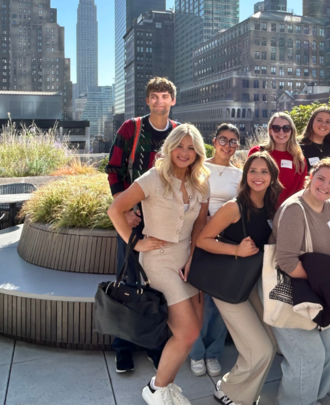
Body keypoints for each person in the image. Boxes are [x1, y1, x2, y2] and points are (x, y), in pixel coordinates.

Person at [108, 124, 210, 405]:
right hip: (160, 262)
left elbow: (201, 224)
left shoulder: (201, 180)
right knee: (187, 331)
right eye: (180, 146)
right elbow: (115, 209)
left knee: (191, 333)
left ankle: (165, 385)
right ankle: (156, 388)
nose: (185, 153)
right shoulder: (154, 177)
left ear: (198, 152)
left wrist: (193, 258)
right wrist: (135, 242)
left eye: (191, 148)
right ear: (170, 147)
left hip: (189, 261)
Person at [104, 77, 178, 374]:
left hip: (165, 223)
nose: (160, 101)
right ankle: (122, 348)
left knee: (158, 286)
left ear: (173, 100)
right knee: (129, 282)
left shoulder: (177, 133)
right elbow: (113, 170)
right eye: (154, 97)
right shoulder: (131, 129)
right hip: (134, 220)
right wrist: (126, 210)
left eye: (165, 96)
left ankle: (155, 345)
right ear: (147, 101)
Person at [196, 151, 282, 405]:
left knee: (271, 343)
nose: (258, 176)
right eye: (253, 171)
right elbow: (203, 240)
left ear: (272, 177)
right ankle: (229, 391)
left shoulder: (270, 207)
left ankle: (243, 392)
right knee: (261, 349)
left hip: (250, 285)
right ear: (245, 176)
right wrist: (236, 249)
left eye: (264, 171)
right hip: (228, 286)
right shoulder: (234, 207)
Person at [269, 159, 330, 405]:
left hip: (319, 291)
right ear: (311, 176)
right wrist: (323, 282)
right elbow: (287, 262)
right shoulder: (295, 209)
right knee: (309, 358)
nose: (325, 186)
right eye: (321, 178)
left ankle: (310, 397)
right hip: (293, 292)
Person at [189, 124, 244, 378]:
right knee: (200, 301)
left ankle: (213, 353)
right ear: (214, 141)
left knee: (221, 302)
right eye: (224, 139)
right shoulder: (199, 167)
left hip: (226, 240)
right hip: (197, 235)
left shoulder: (240, 174)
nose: (228, 145)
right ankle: (196, 352)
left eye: (233, 141)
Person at [249, 112, 307, 206]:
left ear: (291, 131)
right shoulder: (257, 152)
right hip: (258, 210)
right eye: (276, 128)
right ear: (270, 131)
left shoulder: (298, 159)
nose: (281, 132)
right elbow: (248, 182)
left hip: (287, 212)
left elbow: (300, 191)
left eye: (286, 128)